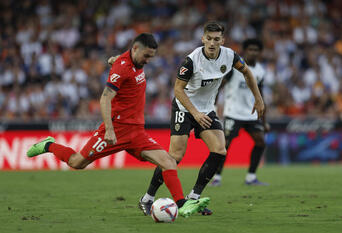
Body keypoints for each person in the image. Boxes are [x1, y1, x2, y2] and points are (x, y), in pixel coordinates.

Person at [26, 33, 210, 218]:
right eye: (146, 56)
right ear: (136, 48)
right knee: (77, 162)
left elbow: (121, 60)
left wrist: (113, 59)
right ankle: (49, 145)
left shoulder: (132, 61)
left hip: (137, 132)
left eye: (151, 57)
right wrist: (110, 130)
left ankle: (182, 204)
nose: (148, 61)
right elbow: (105, 98)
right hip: (117, 130)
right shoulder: (122, 68)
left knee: (168, 161)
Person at [133, 22, 264, 216]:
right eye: (209, 38)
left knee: (219, 150)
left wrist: (259, 98)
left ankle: (194, 198)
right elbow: (178, 89)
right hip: (184, 107)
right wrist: (194, 113)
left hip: (206, 109)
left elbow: (247, 72)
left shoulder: (230, 56)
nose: (212, 43)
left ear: (222, 40)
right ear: (203, 38)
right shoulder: (192, 60)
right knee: (175, 157)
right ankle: (147, 198)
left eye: (216, 39)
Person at [210, 38, 269, 187]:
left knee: (261, 142)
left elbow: (260, 95)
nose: (253, 52)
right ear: (245, 51)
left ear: (259, 52)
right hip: (233, 112)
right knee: (225, 145)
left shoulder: (261, 71)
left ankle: (251, 177)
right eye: (250, 49)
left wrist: (264, 120)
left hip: (251, 113)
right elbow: (219, 86)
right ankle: (216, 177)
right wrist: (214, 107)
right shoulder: (235, 67)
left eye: (256, 50)